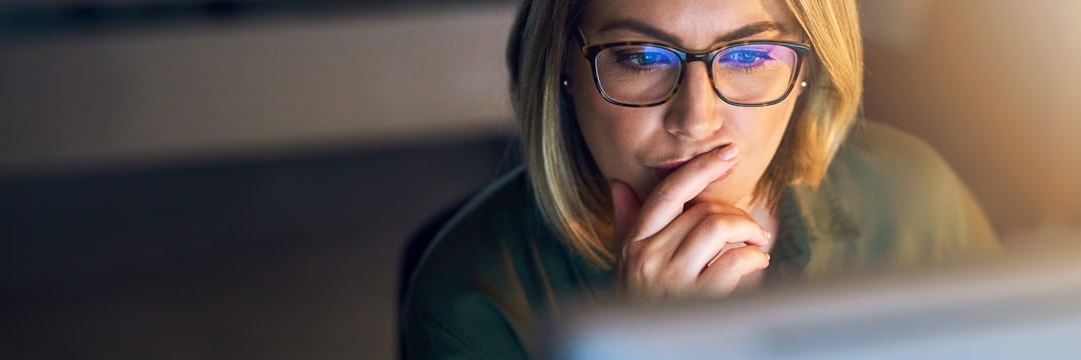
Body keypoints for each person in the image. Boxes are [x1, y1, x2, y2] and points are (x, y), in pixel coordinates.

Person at [400, 0, 1001, 358]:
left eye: (749, 57)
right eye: (640, 57)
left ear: (809, 70)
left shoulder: (914, 196)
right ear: (564, 66)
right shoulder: (470, 300)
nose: (696, 121)